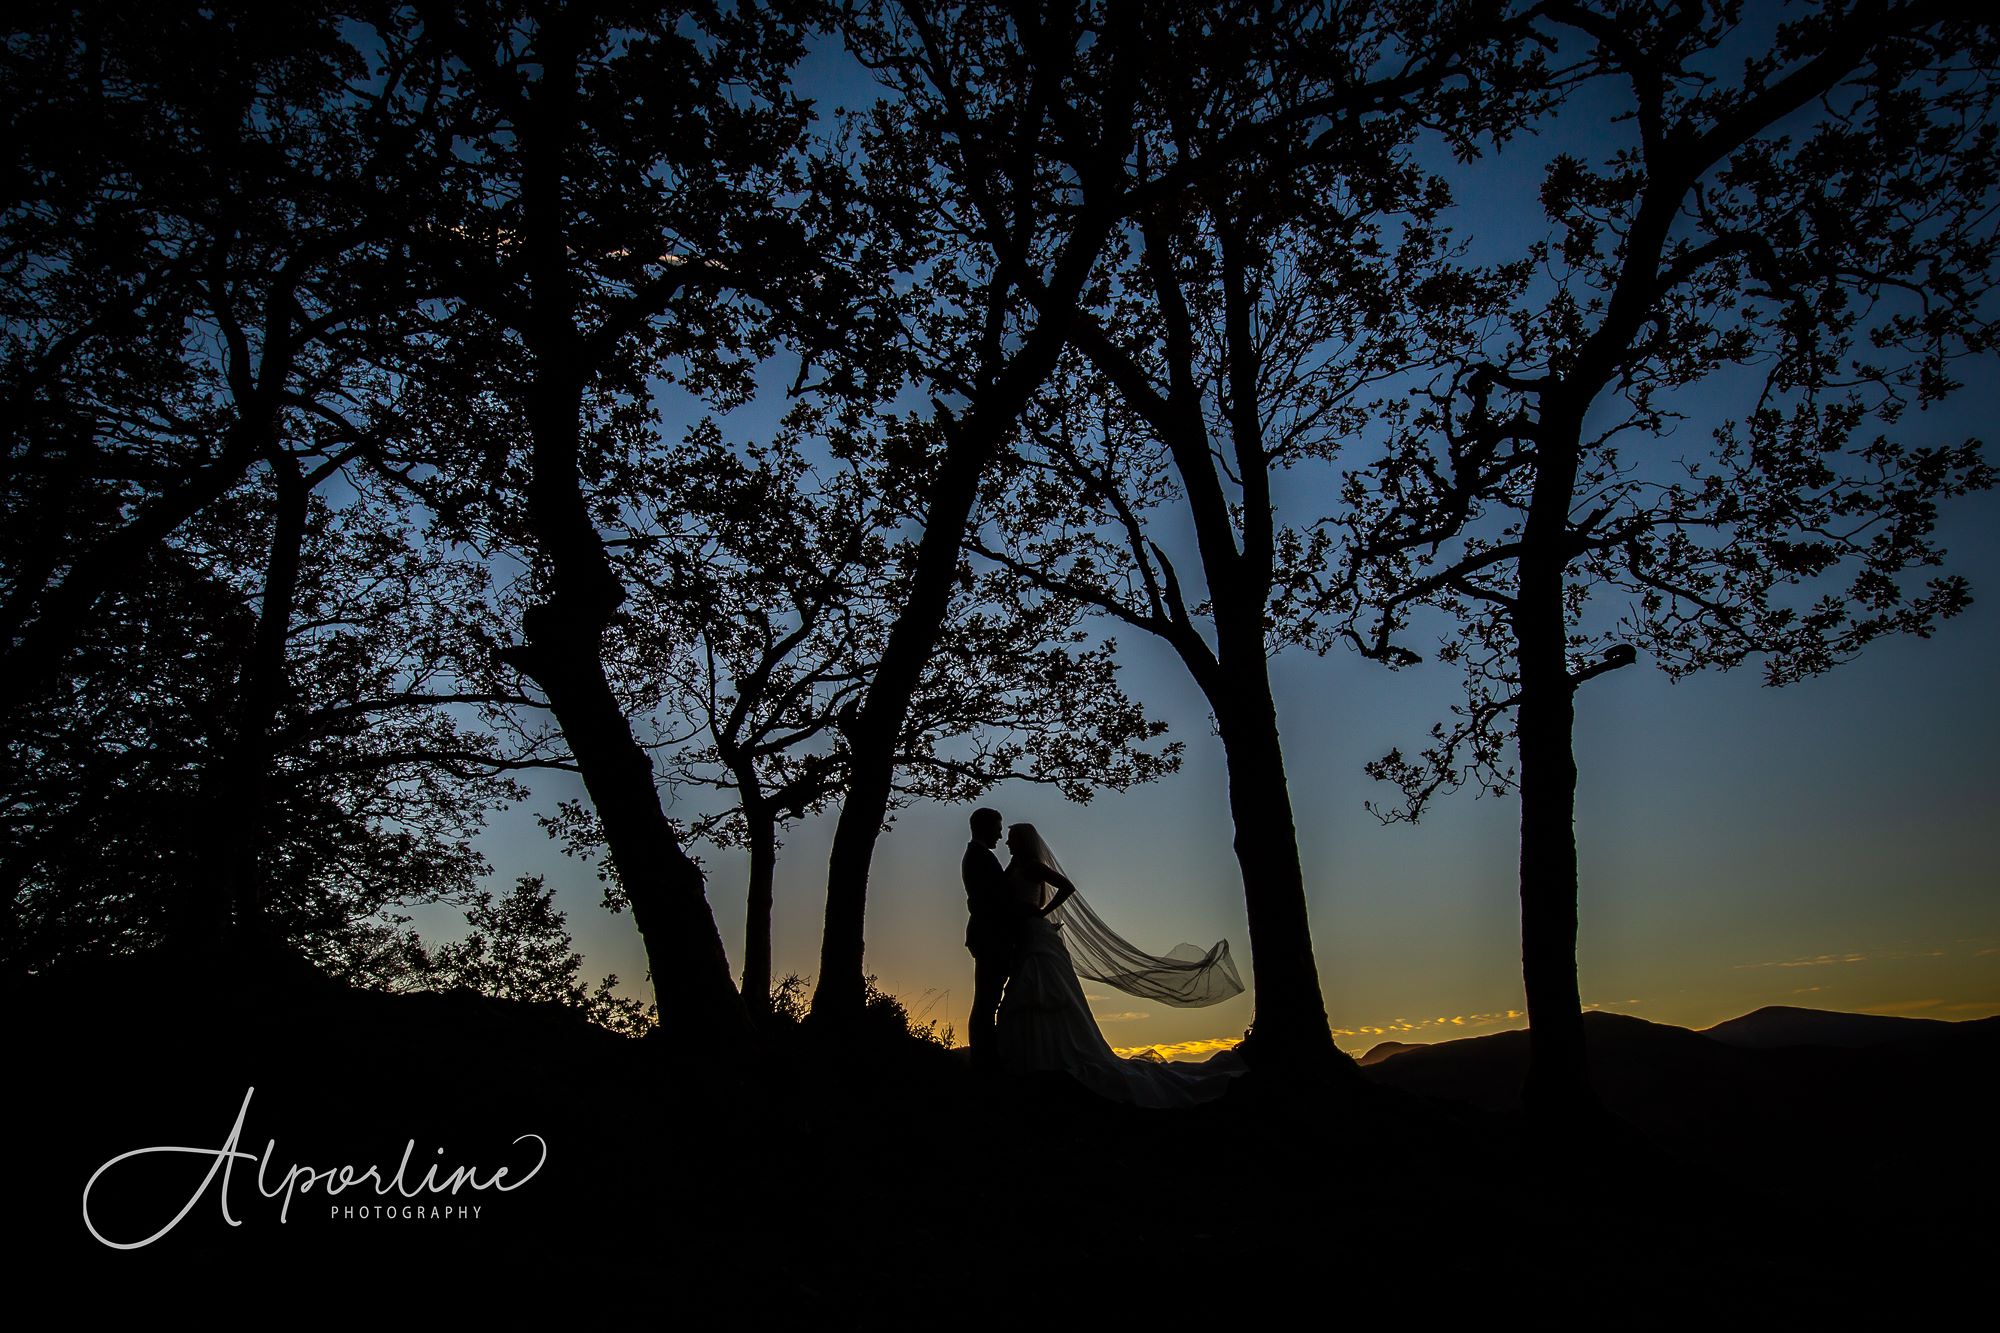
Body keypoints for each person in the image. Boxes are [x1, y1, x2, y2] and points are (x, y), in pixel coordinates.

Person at [993, 822, 1247, 1108]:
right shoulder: (1015, 868)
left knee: (1041, 993)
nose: (1007, 843)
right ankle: (1032, 1060)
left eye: (1012, 839)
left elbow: (1066, 887)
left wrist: (1040, 913)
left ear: (1023, 842)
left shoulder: (1032, 867)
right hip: (1025, 938)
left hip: (1036, 935)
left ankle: (1047, 1062)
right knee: (1027, 996)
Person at [961, 806, 1020, 1071]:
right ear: (985, 827)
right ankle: (983, 1060)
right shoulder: (979, 856)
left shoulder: (978, 855)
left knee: (988, 999)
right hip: (990, 937)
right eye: (997, 827)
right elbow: (995, 897)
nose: (1000, 833)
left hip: (988, 936)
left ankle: (985, 1057)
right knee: (986, 1000)